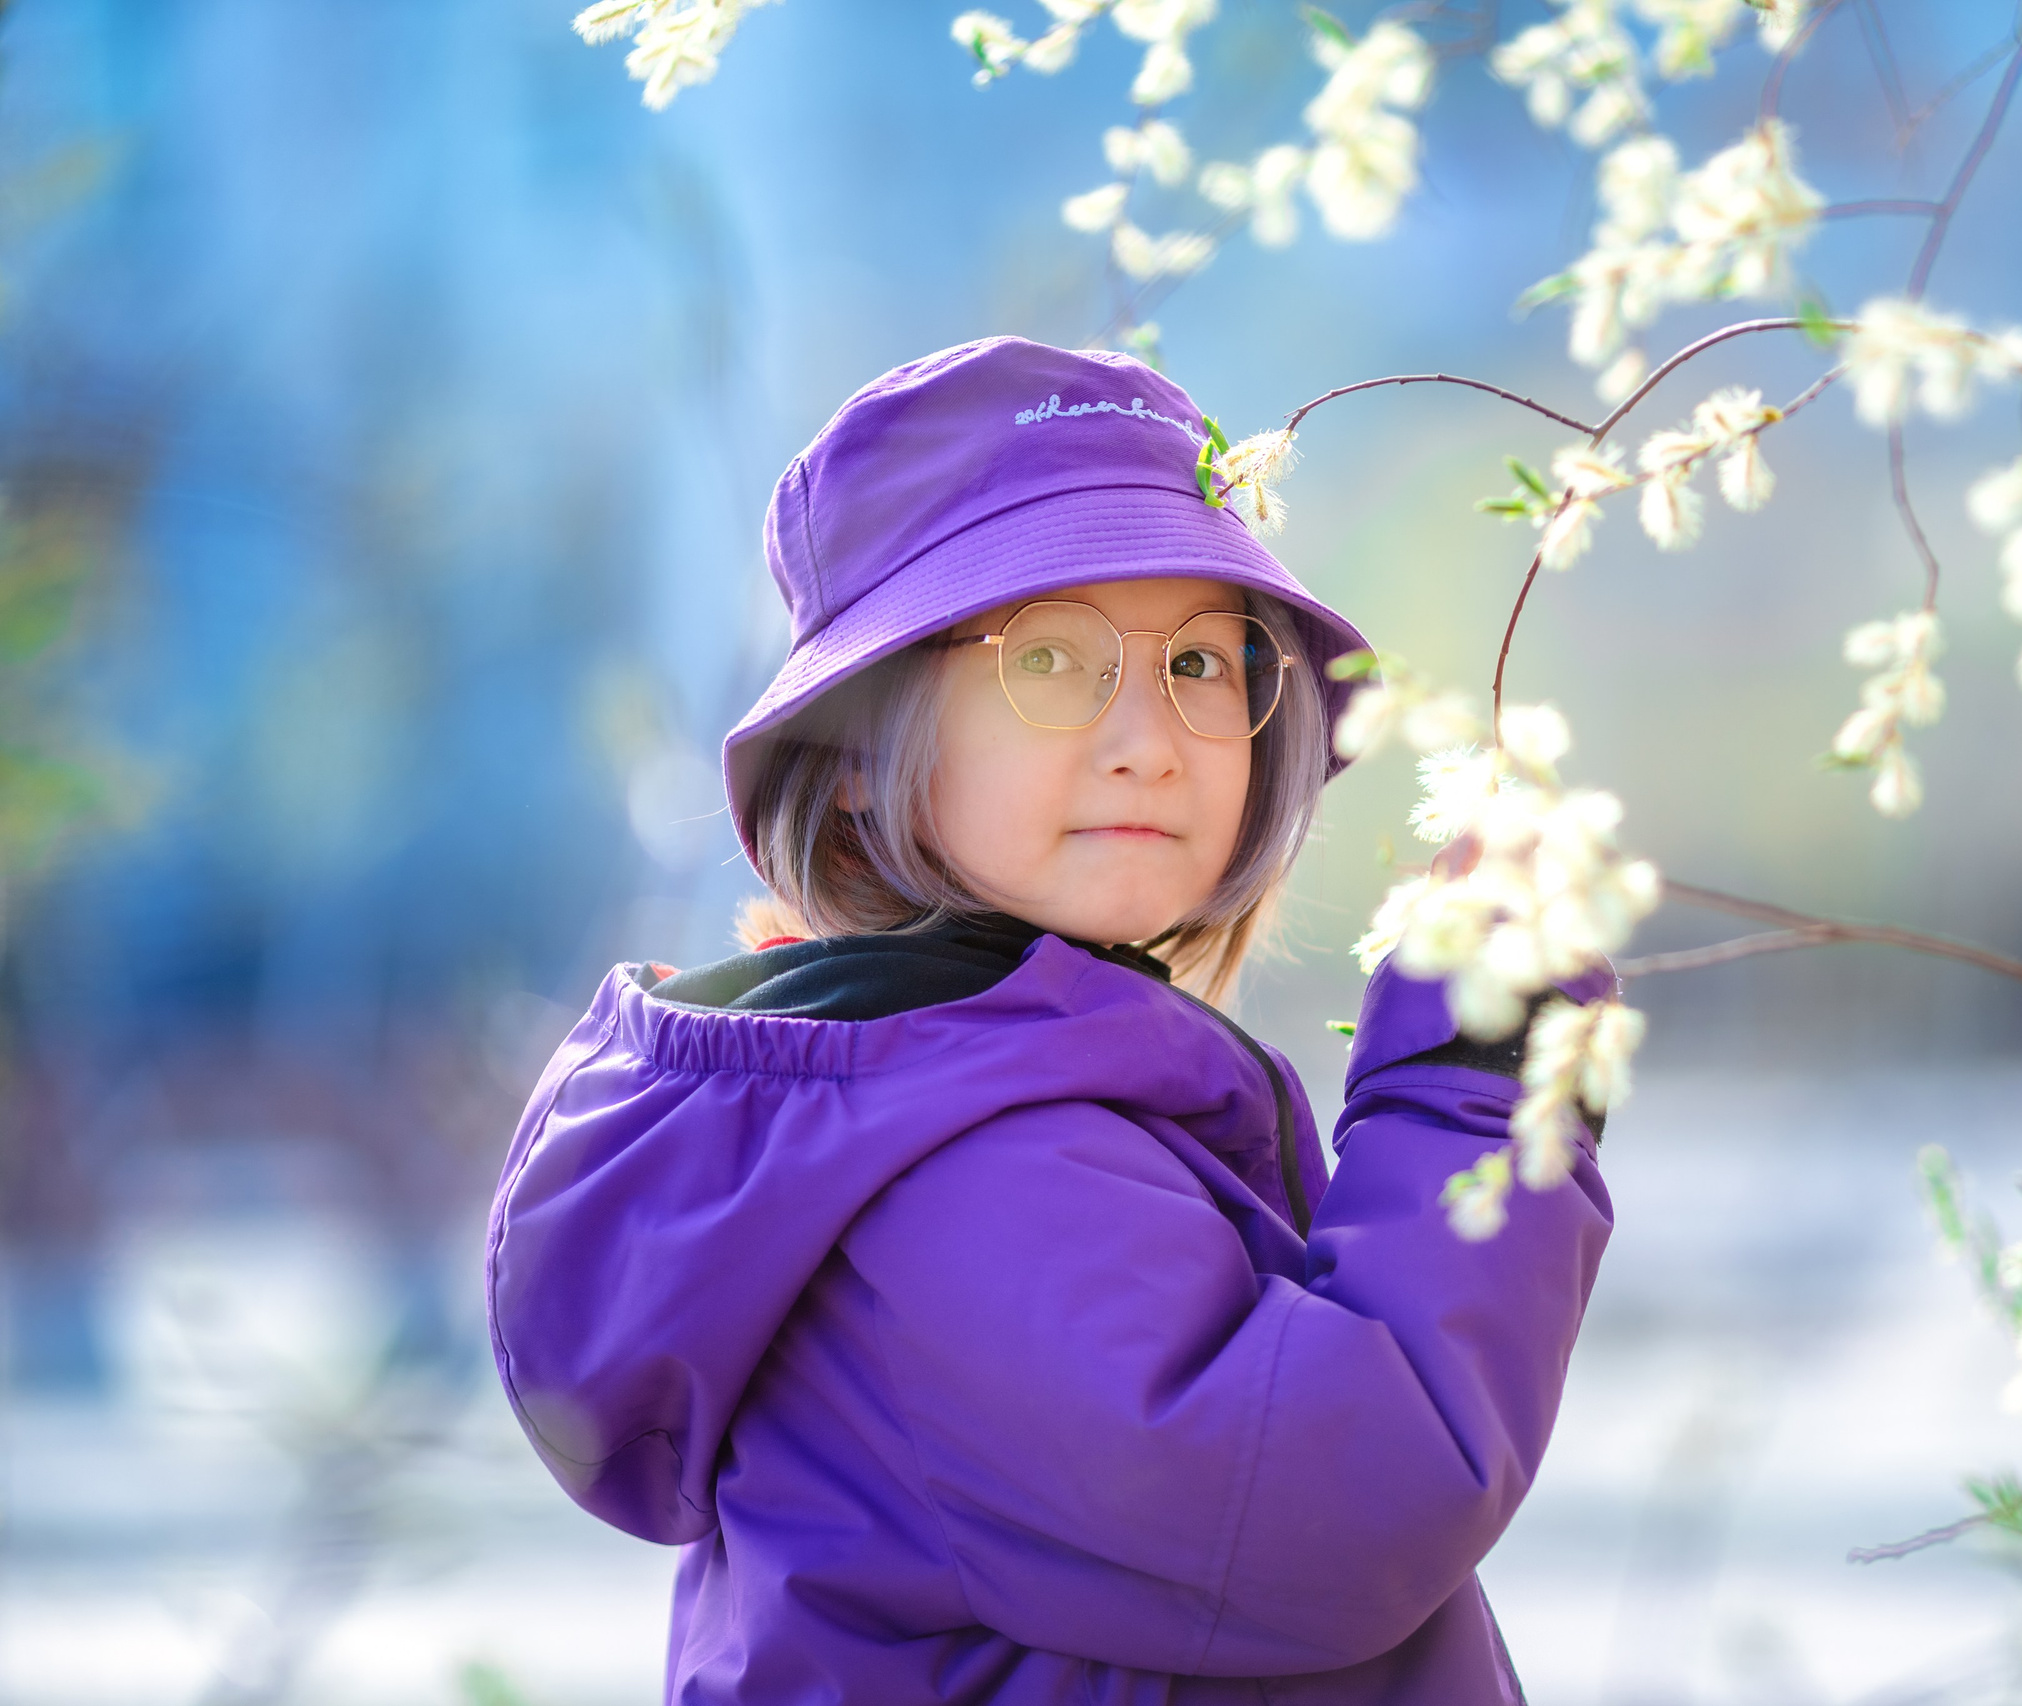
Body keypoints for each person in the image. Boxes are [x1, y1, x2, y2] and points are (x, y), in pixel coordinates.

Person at [484, 336, 1614, 1704]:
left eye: (1202, 661)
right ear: (855, 759)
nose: (1149, 733)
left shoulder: (968, 1102)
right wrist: (1477, 1072)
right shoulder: (957, 1172)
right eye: (1053, 657)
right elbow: (1346, 1499)